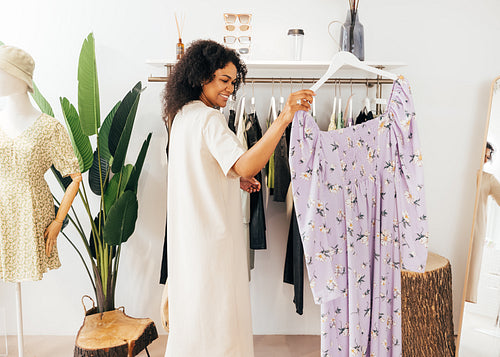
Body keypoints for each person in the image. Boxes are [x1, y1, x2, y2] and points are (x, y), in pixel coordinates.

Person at [161, 39, 314, 356]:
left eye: (233, 82)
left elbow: (199, 170)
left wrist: (233, 178)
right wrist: (284, 117)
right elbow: (247, 162)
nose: (230, 89)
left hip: (188, 244)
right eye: (223, 80)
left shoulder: (181, 118)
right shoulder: (208, 119)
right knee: (221, 329)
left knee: (195, 325)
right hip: (213, 244)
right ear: (202, 77)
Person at [0, 45, 81, 282]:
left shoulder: (49, 128)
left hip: (31, 210)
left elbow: (75, 177)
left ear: (19, 78)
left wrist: (58, 221)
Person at [466, 142, 500, 303]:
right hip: (458, 229)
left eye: (488, 157)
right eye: (483, 156)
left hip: (476, 232)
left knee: (469, 275)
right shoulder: (463, 173)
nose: (485, 160)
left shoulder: (489, 179)